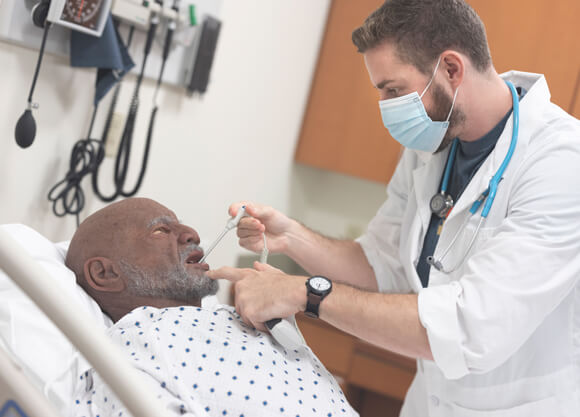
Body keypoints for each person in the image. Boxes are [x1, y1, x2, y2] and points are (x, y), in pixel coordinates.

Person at [207, 1, 580, 416]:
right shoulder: (432, 144)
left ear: (452, 69)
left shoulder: (561, 163)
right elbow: (380, 265)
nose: (386, 106)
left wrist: (304, 293)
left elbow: (469, 327)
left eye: (393, 89)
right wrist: (290, 237)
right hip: (429, 402)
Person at [65, 198, 358, 417]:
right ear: (106, 274)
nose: (191, 233)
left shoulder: (240, 317)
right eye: (160, 231)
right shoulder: (139, 343)